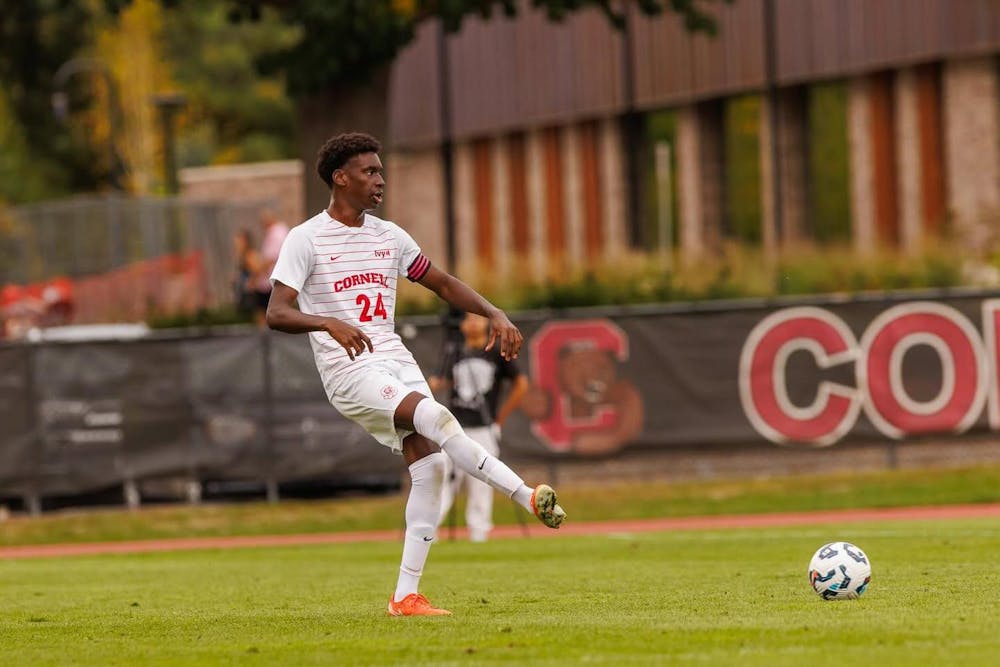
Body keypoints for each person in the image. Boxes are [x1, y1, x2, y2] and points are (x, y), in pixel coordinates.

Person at [266, 132, 566, 617]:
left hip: (394, 358)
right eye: (369, 171)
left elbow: (442, 283)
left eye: (381, 171)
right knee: (439, 418)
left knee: (432, 466)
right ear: (340, 178)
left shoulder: (390, 235)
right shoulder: (306, 238)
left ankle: (406, 596)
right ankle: (526, 495)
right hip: (348, 369)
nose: (380, 180)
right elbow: (276, 312)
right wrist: (327, 322)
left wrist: (494, 312)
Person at [428, 311, 530, 543]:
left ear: (487, 323)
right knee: (442, 478)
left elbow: (521, 383)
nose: (472, 322)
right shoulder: (454, 351)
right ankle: (428, 530)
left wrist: (499, 418)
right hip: (454, 428)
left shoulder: (495, 353)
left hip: (483, 427)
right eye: (468, 318)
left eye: (477, 318)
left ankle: (479, 533)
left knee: (482, 481)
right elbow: (440, 381)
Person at [253, 208, 289, 327]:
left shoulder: (275, 234)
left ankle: (266, 336)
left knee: (264, 312)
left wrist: (257, 274)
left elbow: (271, 258)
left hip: (270, 281)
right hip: (276, 279)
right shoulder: (281, 231)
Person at [232, 229, 262, 318]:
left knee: (260, 315)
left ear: (246, 241)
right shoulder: (243, 255)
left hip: (255, 292)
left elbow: (257, 269)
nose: (237, 244)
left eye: (239, 241)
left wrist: (251, 281)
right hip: (249, 291)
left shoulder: (249, 255)